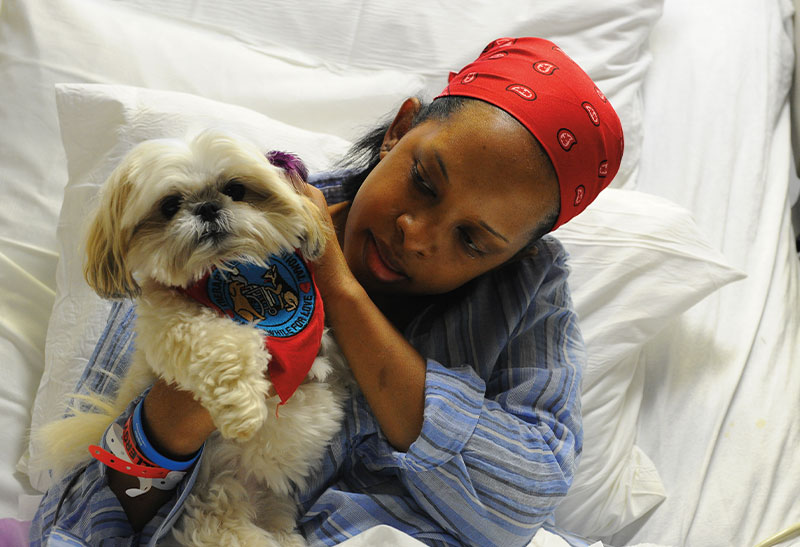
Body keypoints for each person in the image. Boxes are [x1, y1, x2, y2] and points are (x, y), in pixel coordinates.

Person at [30, 37, 623, 546]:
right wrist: (170, 427)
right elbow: (78, 523)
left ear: (517, 254)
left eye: (472, 240)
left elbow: (523, 503)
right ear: (398, 131)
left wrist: (339, 289)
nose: (416, 235)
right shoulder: (235, 228)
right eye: (423, 182)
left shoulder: (528, 290)